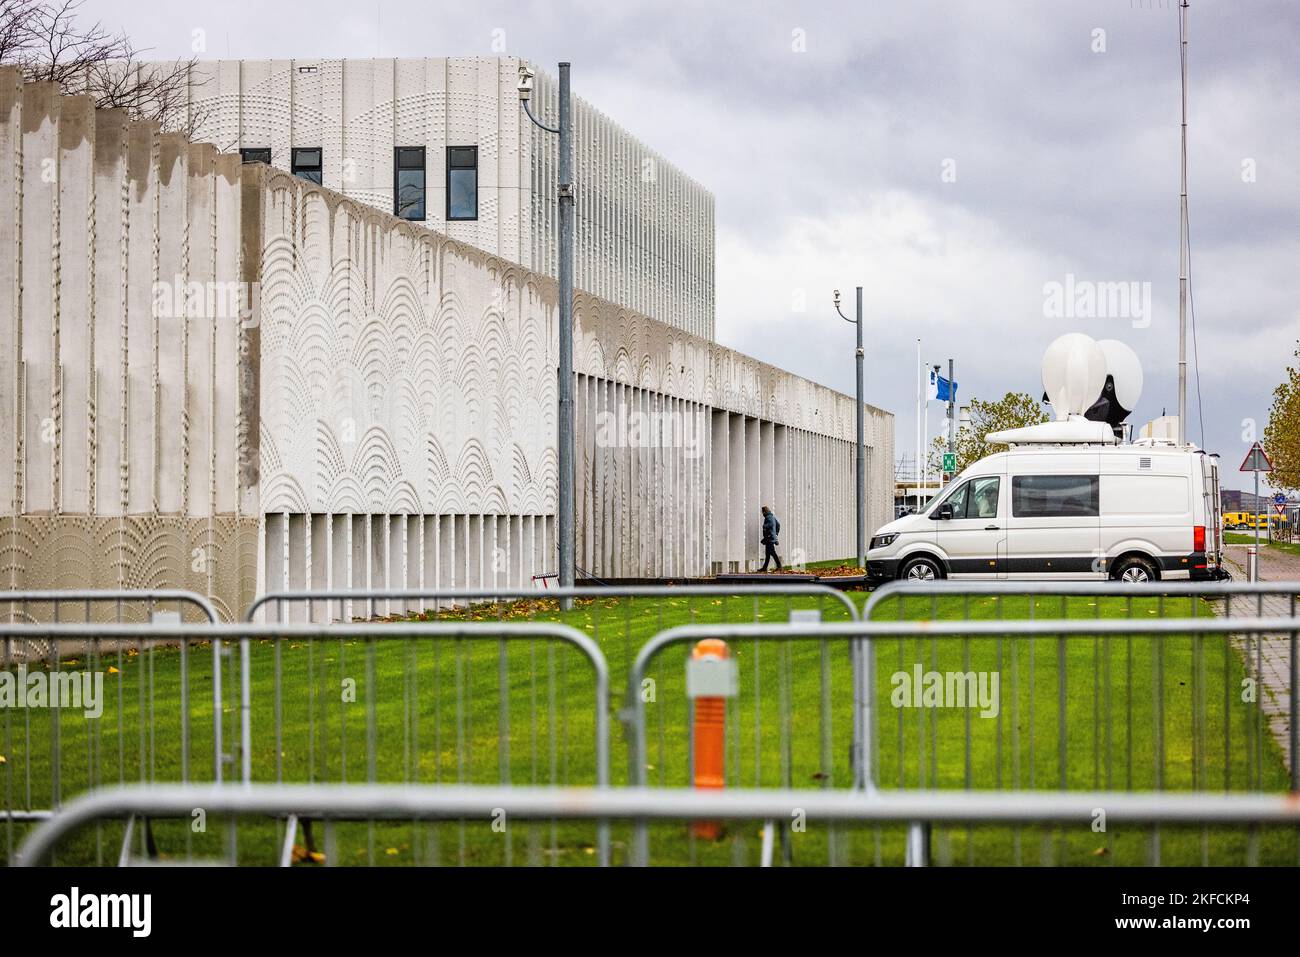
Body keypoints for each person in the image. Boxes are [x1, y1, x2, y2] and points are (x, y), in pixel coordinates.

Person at [759, 505, 782, 572]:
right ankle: (764, 568)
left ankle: (779, 566)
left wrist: (764, 526)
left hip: (769, 538)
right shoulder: (772, 517)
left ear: (764, 512)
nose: (762, 514)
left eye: (762, 512)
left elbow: (770, 525)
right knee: (768, 554)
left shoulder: (768, 518)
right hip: (771, 537)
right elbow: (778, 525)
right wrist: (776, 533)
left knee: (772, 552)